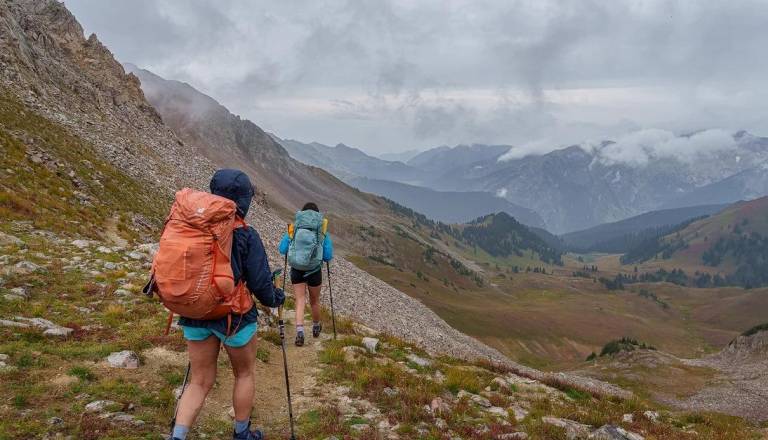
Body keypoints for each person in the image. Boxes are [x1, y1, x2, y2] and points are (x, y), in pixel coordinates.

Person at [170, 169, 285, 440]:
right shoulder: (245, 233)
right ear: (244, 200)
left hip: (195, 311)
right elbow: (260, 284)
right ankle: (242, 434)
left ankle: (178, 436)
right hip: (235, 317)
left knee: (199, 380)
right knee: (244, 374)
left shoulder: (191, 226)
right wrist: (277, 298)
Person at [278, 202, 334, 346]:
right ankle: (316, 327)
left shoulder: (294, 228)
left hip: (296, 269)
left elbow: (282, 249)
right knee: (314, 301)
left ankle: (300, 332)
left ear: (302, 214)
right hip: (314, 270)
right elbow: (327, 256)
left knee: (300, 300)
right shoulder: (321, 231)